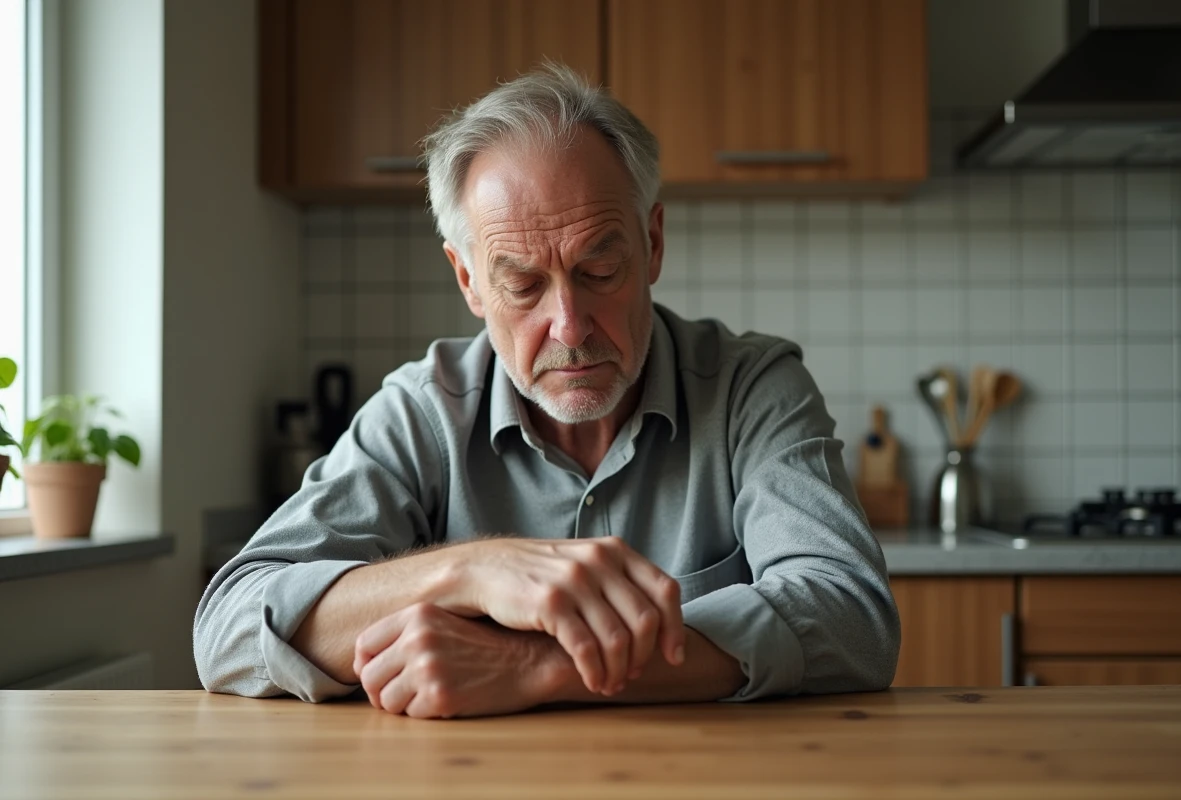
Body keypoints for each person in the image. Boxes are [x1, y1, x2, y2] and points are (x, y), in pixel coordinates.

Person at [194, 64, 899, 719]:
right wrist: (469, 572)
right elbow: (226, 626)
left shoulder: (753, 388)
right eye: (523, 284)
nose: (569, 326)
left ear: (652, 244)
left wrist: (540, 665)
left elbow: (852, 618)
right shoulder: (423, 410)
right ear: (468, 280)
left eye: (599, 269)